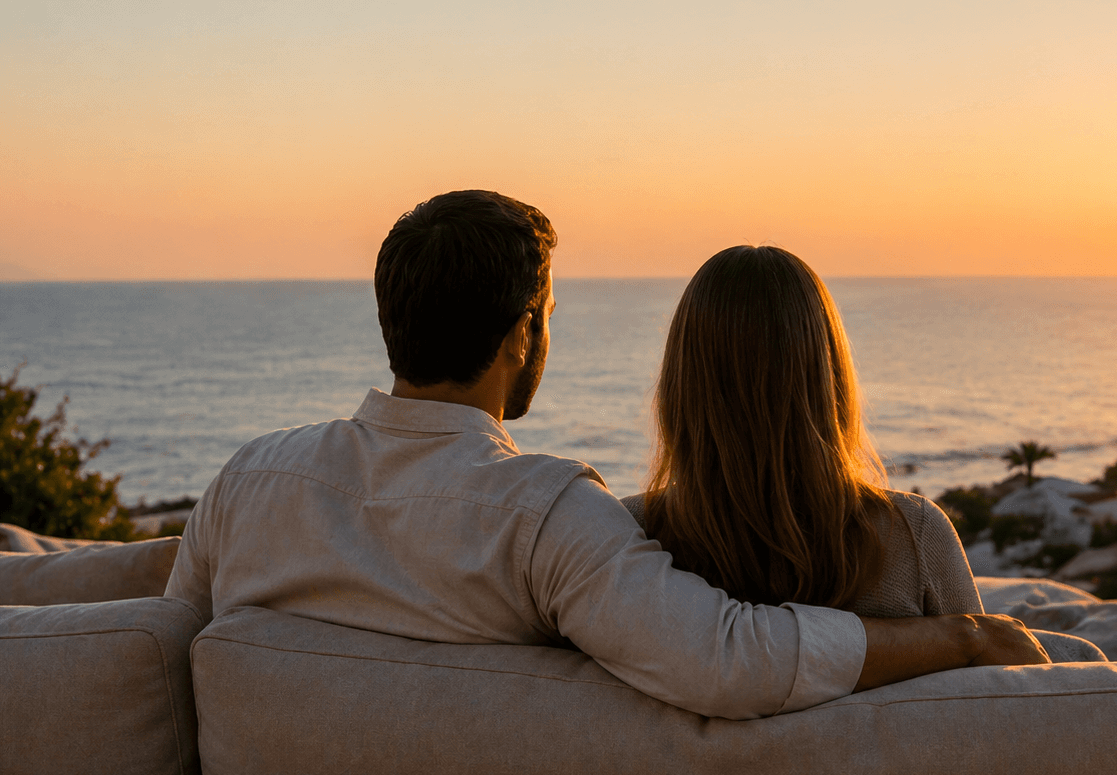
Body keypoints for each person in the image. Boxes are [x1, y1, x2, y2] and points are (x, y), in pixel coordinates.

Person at [163, 190, 1050, 722]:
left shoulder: (248, 481)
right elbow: (727, 661)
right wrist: (964, 637)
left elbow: (167, 649)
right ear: (524, 332)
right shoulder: (546, 520)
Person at [621, 246, 1105, 662]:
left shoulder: (624, 538)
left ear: (681, 388)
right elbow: (993, 701)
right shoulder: (911, 537)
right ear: (829, 378)